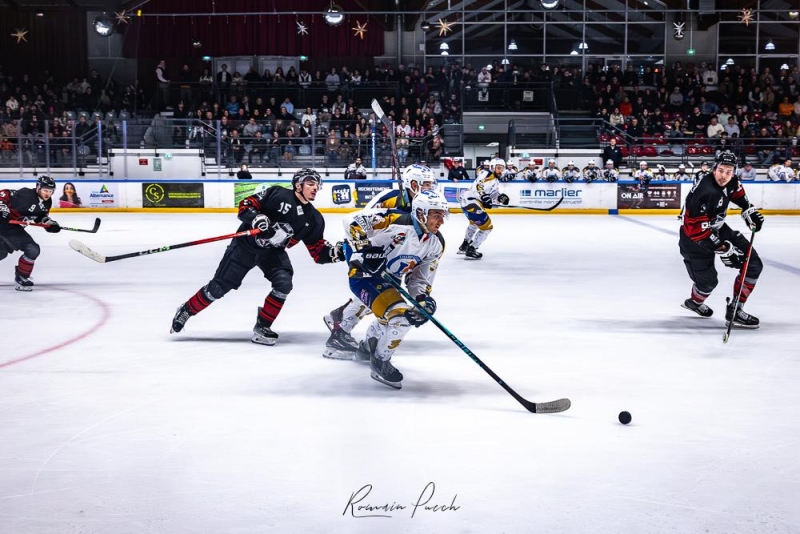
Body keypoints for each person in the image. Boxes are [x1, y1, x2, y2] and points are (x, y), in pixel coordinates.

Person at [170, 169, 344, 345]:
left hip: (272, 253)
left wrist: (339, 253)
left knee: (284, 283)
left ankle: (263, 326)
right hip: (245, 246)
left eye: (317, 185)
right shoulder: (278, 193)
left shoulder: (314, 219)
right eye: (310, 183)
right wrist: (256, 217)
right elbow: (246, 204)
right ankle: (187, 309)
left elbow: (318, 252)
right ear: (298, 185)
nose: (315, 188)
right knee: (218, 288)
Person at [334, 190, 449, 388]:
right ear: (421, 213)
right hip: (365, 277)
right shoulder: (394, 219)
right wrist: (364, 251)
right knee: (400, 318)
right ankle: (380, 360)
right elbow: (352, 221)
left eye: (442, 215)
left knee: (405, 313)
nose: (441, 221)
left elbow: (419, 280)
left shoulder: (435, 244)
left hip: (390, 281)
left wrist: (422, 299)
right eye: (436, 215)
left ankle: (367, 347)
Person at [322, 165, 437, 360]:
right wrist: (362, 249)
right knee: (374, 288)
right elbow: (360, 222)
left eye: (431, 184)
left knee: (378, 292)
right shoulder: (391, 197)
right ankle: (340, 330)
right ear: (413, 183)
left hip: (390, 252)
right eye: (426, 184)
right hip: (366, 250)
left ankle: (339, 317)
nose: (430, 188)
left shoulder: (423, 203)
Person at [679, 151, 764, 328]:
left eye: (729, 171)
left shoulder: (732, 181)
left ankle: (736, 309)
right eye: (721, 170)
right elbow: (695, 231)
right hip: (693, 240)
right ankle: (694, 302)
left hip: (718, 228)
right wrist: (726, 249)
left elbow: (739, 196)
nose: (724, 176)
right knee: (708, 282)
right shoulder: (703, 191)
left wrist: (748, 211)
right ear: (714, 168)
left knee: (753, 265)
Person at [0, 175, 61, 291]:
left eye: (51, 191)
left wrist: (49, 224)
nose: (48, 194)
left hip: (13, 228)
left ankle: (21, 278)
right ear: (38, 187)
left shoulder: (47, 202)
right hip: (2, 224)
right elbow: (4, 193)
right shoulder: (26, 195)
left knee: (30, 249)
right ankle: (22, 278)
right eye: (45, 190)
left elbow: (40, 216)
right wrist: (2, 208)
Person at [457, 157, 509, 259]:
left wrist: (500, 198)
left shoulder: (495, 181)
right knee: (487, 227)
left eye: (502, 168)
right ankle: (472, 249)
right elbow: (479, 185)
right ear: (493, 167)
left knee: (473, 224)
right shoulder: (487, 174)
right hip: (473, 203)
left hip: (467, 203)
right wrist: (483, 196)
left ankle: (465, 245)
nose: (500, 170)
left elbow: (493, 196)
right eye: (498, 168)